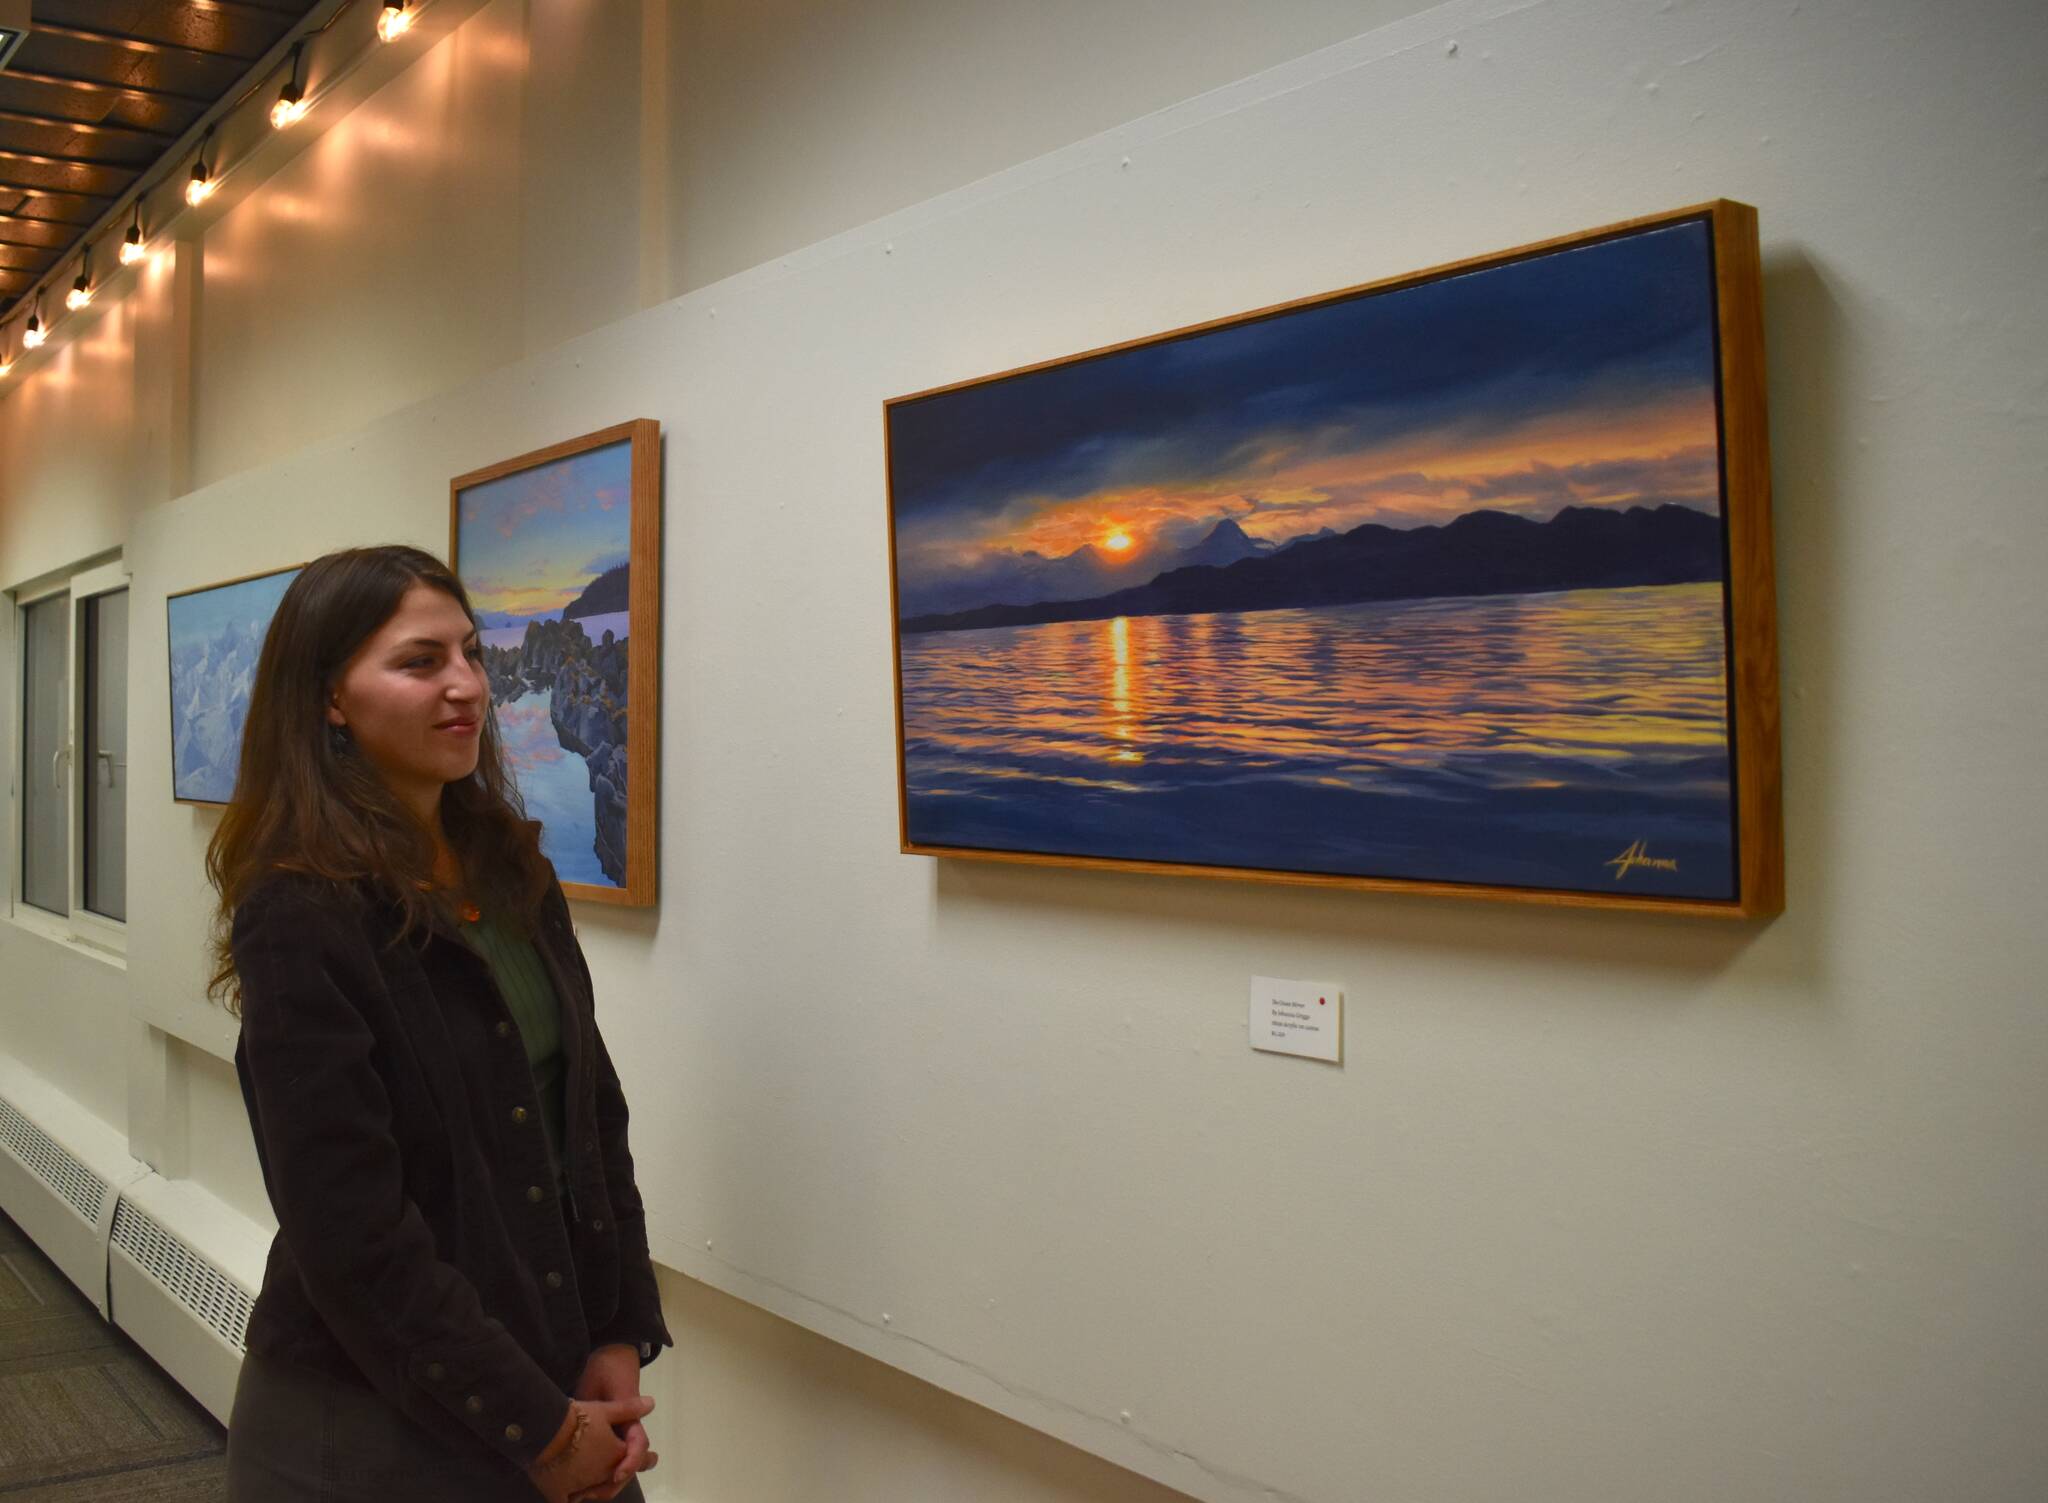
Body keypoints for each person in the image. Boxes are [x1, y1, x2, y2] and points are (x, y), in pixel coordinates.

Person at [207, 544, 671, 1502]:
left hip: (546, 1372)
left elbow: (590, 1115)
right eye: (421, 662)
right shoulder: (300, 913)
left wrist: (618, 1328)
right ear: (331, 698)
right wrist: (542, 1430)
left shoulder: (509, 869)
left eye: (471, 653)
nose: (466, 685)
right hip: (372, 1419)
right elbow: (352, 1231)